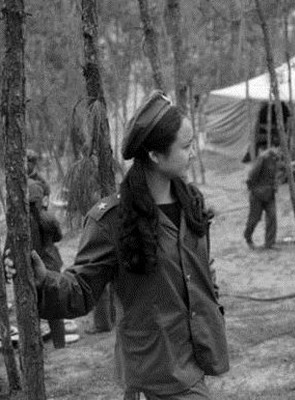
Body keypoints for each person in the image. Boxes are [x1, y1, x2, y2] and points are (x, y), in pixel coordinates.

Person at [5, 91, 229, 399]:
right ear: (155, 155)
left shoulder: (191, 202)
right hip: (155, 367)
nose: (194, 153)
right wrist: (44, 280)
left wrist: (210, 301)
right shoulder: (113, 220)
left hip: (196, 353)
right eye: (186, 146)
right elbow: (82, 289)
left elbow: (201, 266)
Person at [28, 179, 66, 349]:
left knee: (33, 308)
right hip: (51, 264)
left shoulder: (24, 222)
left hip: (34, 268)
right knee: (54, 307)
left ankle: (36, 347)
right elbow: (58, 236)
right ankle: (60, 345)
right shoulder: (48, 217)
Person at [243, 146, 281, 250]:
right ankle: (248, 237)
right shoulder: (263, 158)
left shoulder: (277, 159)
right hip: (258, 194)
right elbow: (252, 174)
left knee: (272, 216)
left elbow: (280, 170)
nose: (280, 152)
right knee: (254, 218)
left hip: (270, 194)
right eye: (279, 149)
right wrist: (253, 188)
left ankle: (269, 243)